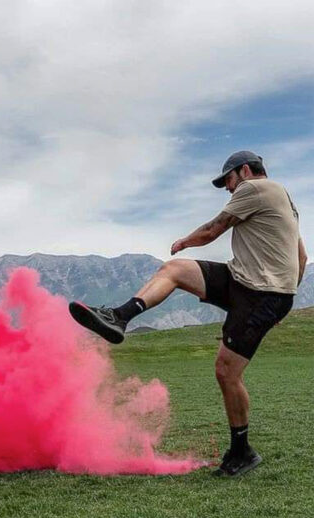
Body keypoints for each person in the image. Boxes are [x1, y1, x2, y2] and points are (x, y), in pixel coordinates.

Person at [69, 150, 308, 476]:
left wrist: (185, 241)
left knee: (227, 371)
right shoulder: (285, 203)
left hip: (260, 294)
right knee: (175, 271)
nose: (227, 188)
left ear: (245, 171)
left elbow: (213, 229)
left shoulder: (254, 189)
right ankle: (119, 316)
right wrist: (288, 294)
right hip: (246, 282)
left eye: (228, 180)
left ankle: (242, 452)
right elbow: (303, 256)